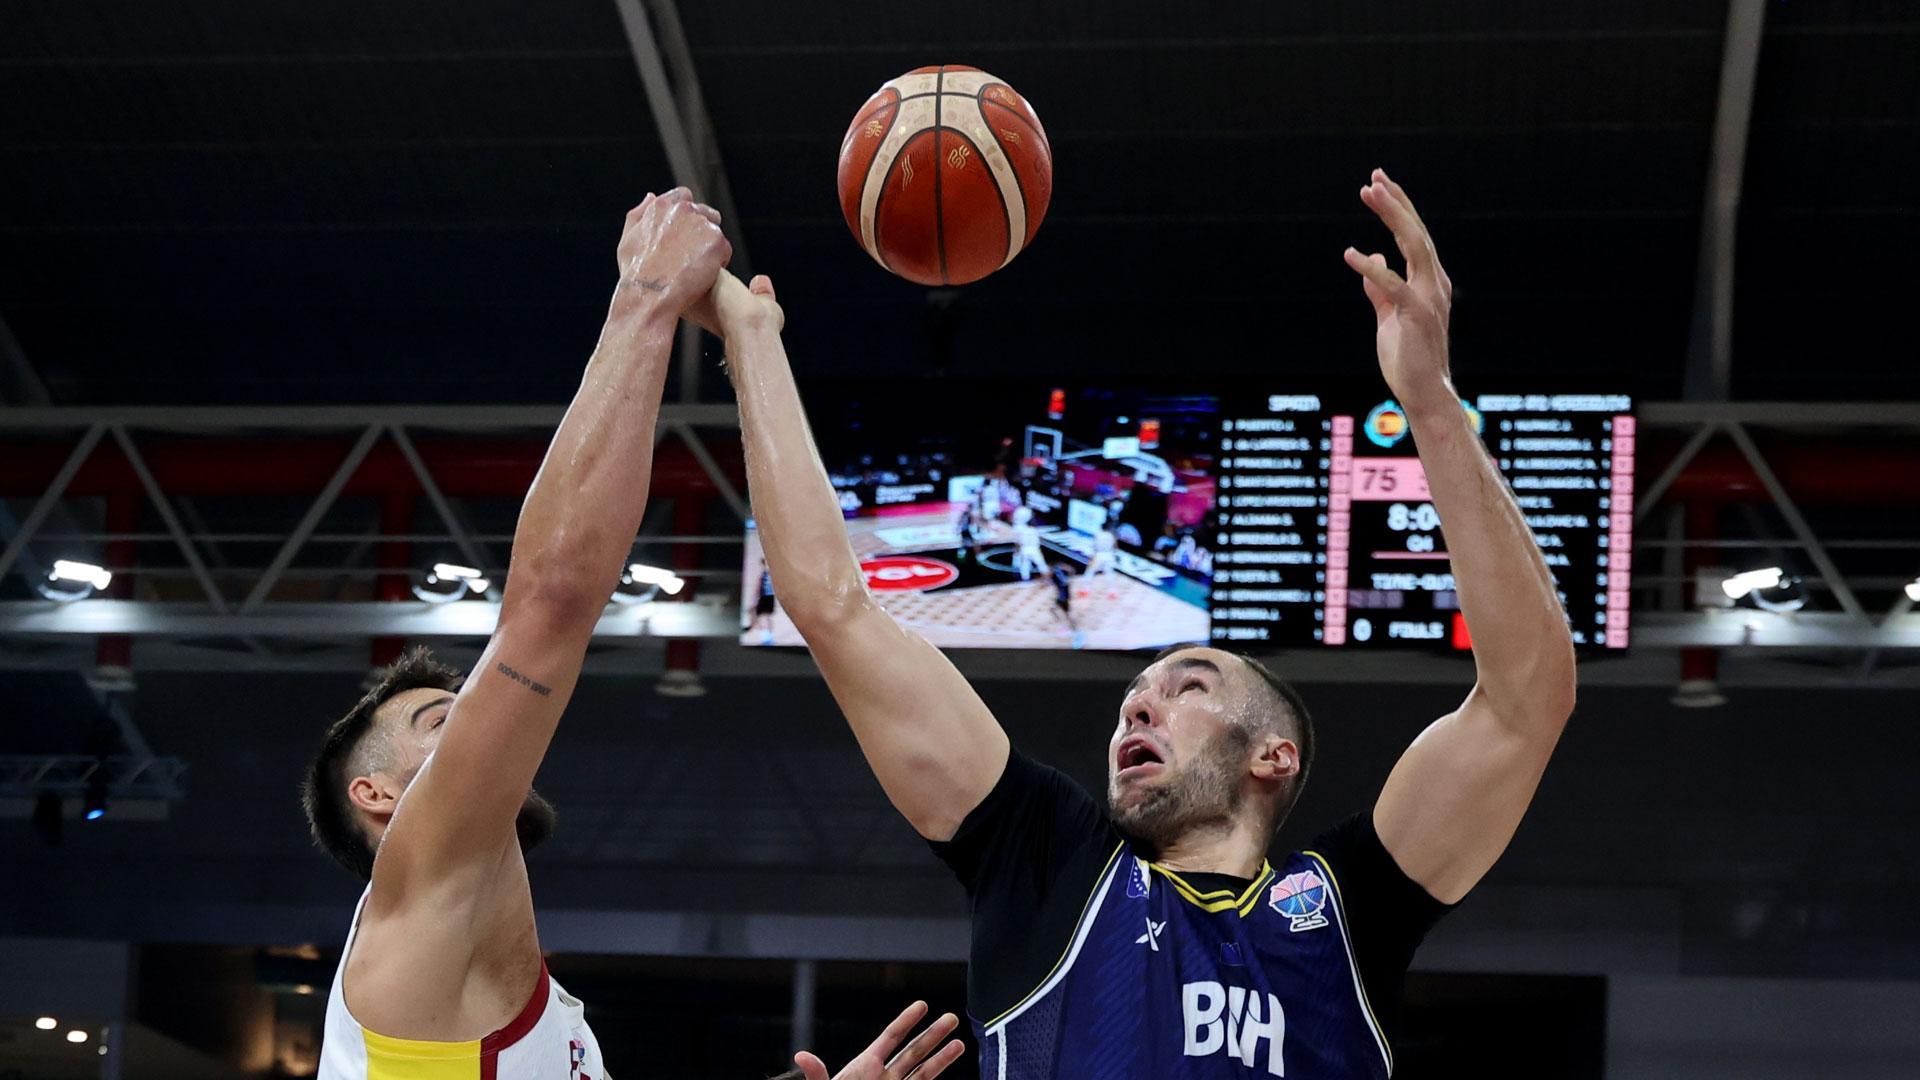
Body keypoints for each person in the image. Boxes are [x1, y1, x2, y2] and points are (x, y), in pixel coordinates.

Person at [708, 169, 1577, 1078]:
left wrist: (1431, 401)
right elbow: (832, 608)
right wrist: (753, 340)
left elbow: (1527, 698)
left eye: (1186, 685)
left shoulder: (1346, 911)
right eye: (1132, 698)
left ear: (1271, 755)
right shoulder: (1045, 861)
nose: (1136, 708)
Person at [299, 190, 960, 1080]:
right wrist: (646, 296)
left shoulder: (540, 1011)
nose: (480, 719)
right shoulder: (415, 882)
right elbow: (551, 602)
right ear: (377, 796)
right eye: (438, 721)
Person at [1010, 505, 1045, 581]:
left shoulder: (1022, 529)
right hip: (1030, 549)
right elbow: (1018, 543)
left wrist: (1016, 554)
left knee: (1030, 566)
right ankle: (1027, 580)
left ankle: (1026, 580)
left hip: (1029, 549)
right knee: (1029, 566)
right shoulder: (1026, 529)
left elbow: (1017, 543)